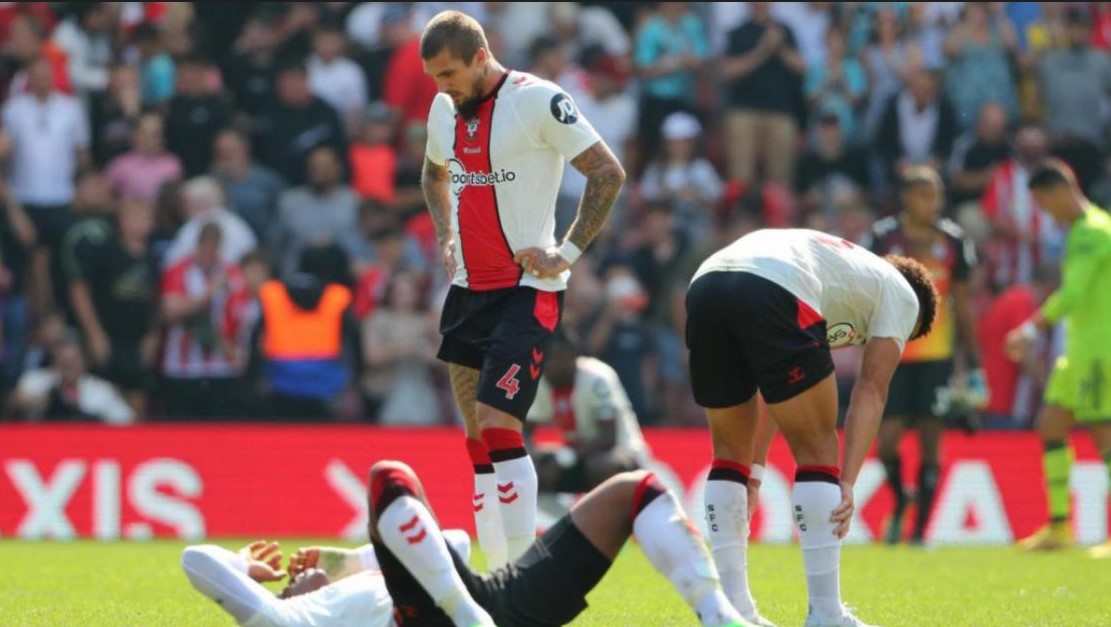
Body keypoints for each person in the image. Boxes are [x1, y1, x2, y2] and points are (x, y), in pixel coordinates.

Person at [419, 10, 625, 569]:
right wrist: (446, 235)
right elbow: (433, 174)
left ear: (481, 58)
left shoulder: (537, 100)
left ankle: (517, 578)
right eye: (434, 76)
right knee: (476, 440)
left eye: (448, 74)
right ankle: (494, 580)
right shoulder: (444, 109)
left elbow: (608, 173)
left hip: (526, 288)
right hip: (467, 292)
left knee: (498, 424)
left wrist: (568, 253)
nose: (441, 87)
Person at [685, 228, 939, 627]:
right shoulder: (903, 295)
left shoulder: (846, 278)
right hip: (776, 285)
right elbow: (871, 390)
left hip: (707, 283)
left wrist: (757, 470)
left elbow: (775, 390)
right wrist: (848, 482)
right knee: (819, 451)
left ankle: (730, 613)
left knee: (730, 459)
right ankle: (825, 614)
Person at [367, 459, 747, 627]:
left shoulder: (321, 588)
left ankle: (721, 617)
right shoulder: (309, 611)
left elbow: (456, 542)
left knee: (636, 490)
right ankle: (470, 621)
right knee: (388, 475)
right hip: (447, 614)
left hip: (490, 603)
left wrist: (341, 564)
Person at [865, 166, 983, 545]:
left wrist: (975, 365)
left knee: (932, 439)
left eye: (935, 195)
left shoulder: (953, 241)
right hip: (894, 355)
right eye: (923, 195)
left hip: (938, 356)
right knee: (887, 442)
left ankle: (919, 532)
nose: (931, 203)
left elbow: (962, 303)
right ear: (907, 198)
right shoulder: (882, 237)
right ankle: (902, 498)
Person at [1005, 159, 1111, 558]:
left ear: (1061, 190)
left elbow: (1073, 294)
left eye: (1045, 203)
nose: (1046, 213)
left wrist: (1030, 329)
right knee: (1050, 424)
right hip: (1079, 351)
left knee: (1104, 434)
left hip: (1100, 350)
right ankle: (1060, 527)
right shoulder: (1084, 230)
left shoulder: (1093, 233)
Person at [182, 533, 472, 627]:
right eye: (287, 587)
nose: (293, 577)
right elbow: (194, 560)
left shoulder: (354, 581)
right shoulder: (293, 618)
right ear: (283, 599)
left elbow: (456, 542)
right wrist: (242, 568)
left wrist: (347, 563)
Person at [527, 328, 650, 494]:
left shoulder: (597, 378)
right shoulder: (542, 382)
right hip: (576, 456)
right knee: (533, 468)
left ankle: (613, 517)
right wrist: (532, 458)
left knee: (600, 465)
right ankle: (548, 518)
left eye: (561, 359)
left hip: (621, 454)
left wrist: (566, 456)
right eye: (549, 360)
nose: (555, 366)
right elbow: (526, 431)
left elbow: (609, 436)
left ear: (574, 357)